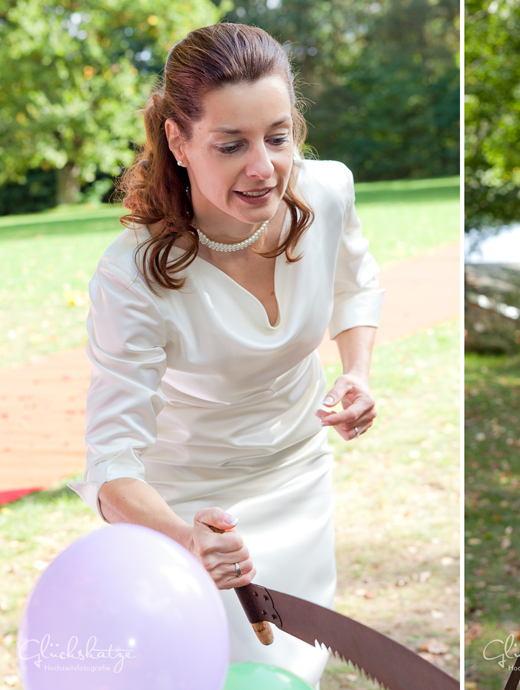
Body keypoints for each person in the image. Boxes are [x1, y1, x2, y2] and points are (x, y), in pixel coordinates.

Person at [68, 23, 384, 684]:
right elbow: (111, 464)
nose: (263, 168)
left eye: (278, 136)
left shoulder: (327, 192)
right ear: (179, 142)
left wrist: (356, 373)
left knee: (288, 674)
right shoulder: (133, 275)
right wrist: (186, 537)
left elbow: (355, 284)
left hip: (299, 479)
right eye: (231, 145)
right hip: (187, 509)